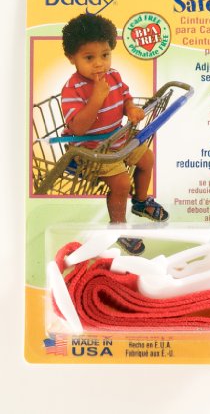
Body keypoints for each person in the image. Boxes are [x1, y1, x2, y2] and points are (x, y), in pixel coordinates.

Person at [61, 13, 169, 254]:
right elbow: (78, 128)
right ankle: (118, 228)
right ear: (71, 58)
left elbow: (125, 97)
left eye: (105, 55)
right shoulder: (72, 89)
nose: (99, 63)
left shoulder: (114, 75)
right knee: (121, 182)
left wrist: (131, 109)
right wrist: (97, 97)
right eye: (89, 57)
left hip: (118, 138)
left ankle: (140, 202)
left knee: (147, 158)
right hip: (92, 150)